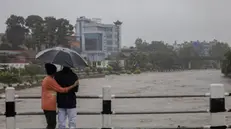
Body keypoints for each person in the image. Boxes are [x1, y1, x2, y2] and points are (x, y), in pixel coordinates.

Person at [41, 63, 78, 129]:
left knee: (60, 123)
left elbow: (57, 89)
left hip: (59, 102)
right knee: (71, 122)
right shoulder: (74, 76)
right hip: (70, 102)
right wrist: (73, 85)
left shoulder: (54, 77)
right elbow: (72, 90)